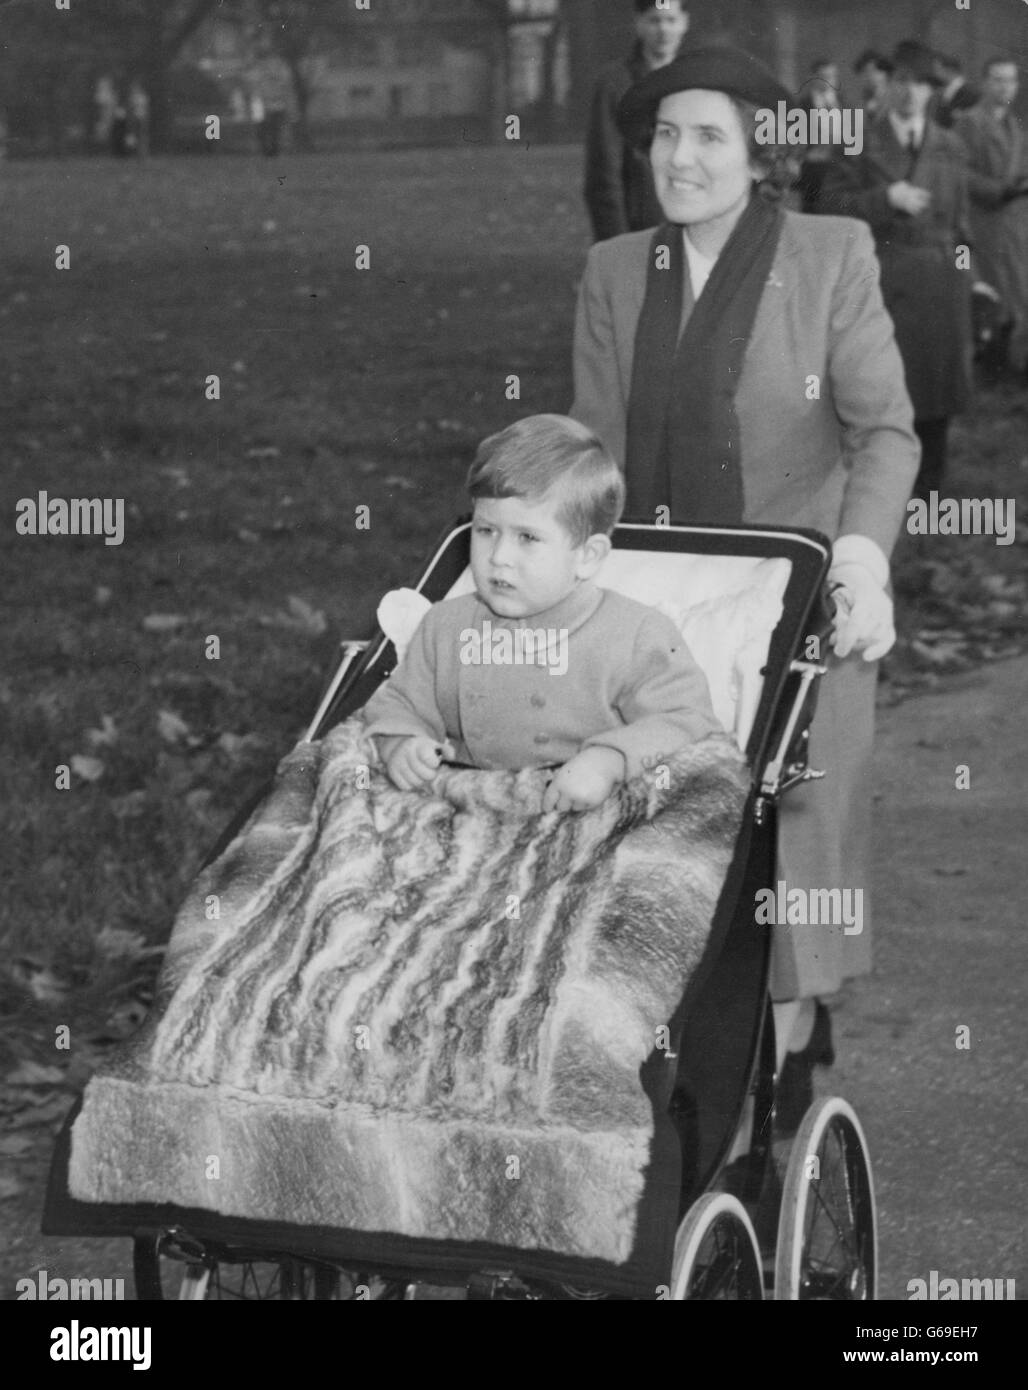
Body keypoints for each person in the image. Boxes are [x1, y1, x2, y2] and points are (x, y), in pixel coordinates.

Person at [568, 45, 920, 1123]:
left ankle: (781, 1094)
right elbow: (587, 459)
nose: (681, 157)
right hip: (655, 619)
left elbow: (883, 432)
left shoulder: (828, 253)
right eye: (665, 135)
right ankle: (656, 1099)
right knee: (648, 861)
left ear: (759, 150)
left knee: (788, 862)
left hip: (796, 618)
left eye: (708, 134)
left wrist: (860, 563)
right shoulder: (617, 271)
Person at [362, 415, 721, 814]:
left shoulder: (634, 634)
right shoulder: (445, 627)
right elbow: (399, 702)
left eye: (527, 538)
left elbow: (686, 720)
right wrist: (402, 742)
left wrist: (611, 760)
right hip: (470, 808)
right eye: (486, 531)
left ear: (587, 557)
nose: (498, 558)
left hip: (589, 813)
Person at [817, 40, 974, 501]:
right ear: (888, 84)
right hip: (883, 280)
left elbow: (961, 222)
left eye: (923, 84)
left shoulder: (951, 146)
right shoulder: (859, 139)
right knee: (885, 387)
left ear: (933, 92)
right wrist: (885, 200)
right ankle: (881, 488)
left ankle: (931, 494)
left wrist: (972, 279)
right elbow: (829, 204)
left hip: (942, 283)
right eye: (903, 81)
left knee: (937, 391)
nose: (911, 93)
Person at [584, 0, 692, 242]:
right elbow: (603, 175)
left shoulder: (698, 81)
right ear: (639, 24)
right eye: (655, 20)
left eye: (671, 20)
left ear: (685, 23)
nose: (663, 30)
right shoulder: (615, 85)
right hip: (640, 231)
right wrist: (616, 243)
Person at [953, 58, 1028, 380]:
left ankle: (1014, 364)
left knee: (1017, 293)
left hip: (1013, 225)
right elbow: (958, 173)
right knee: (988, 295)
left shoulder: (1017, 127)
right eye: (997, 80)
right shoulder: (968, 123)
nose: (1004, 87)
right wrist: (1000, 190)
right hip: (981, 221)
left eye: (1010, 81)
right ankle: (990, 367)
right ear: (984, 82)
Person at [931, 53, 979, 129]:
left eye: (937, 69)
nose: (935, 73)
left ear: (949, 70)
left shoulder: (971, 92)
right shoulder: (941, 92)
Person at [853, 49, 892, 116]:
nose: (870, 77)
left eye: (874, 71)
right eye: (866, 72)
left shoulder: (898, 92)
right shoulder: (867, 95)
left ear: (885, 72)